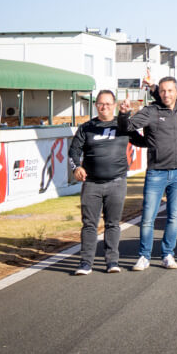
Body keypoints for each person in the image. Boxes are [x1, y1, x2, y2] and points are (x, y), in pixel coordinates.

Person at [127, 76, 177, 271]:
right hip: (156, 173)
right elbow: (127, 127)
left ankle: (167, 254)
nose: (166, 94)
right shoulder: (151, 111)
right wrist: (144, 142)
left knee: (173, 217)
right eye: (162, 91)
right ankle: (144, 256)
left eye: (170, 90)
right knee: (148, 217)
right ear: (158, 92)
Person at [68, 90, 133, 274]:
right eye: (100, 104)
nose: (104, 107)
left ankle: (112, 261)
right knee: (89, 224)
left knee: (113, 223)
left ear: (114, 105)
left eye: (108, 104)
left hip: (117, 182)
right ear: (96, 105)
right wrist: (76, 168)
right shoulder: (86, 127)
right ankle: (85, 263)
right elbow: (73, 152)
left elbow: (144, 141)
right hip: (92, 184)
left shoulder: (123, 126)